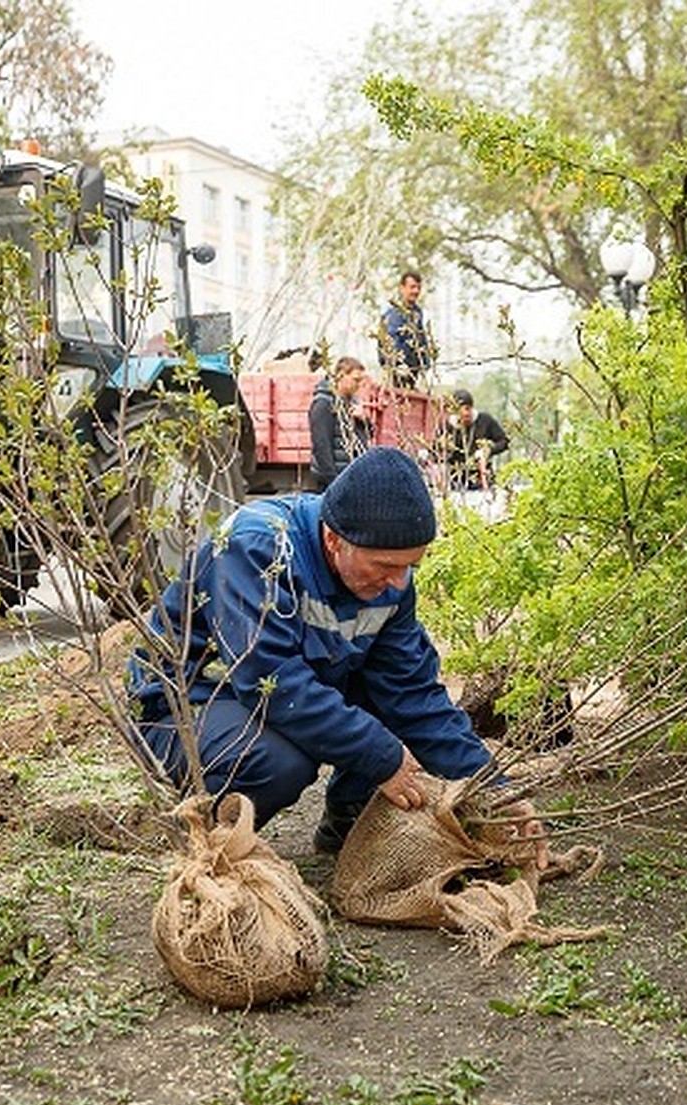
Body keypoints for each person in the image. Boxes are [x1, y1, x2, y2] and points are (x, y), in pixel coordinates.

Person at [127, 446, 548, 861]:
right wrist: (381, 757)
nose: (399, 583)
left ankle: (351, 821)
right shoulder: (258, 547)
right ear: (333, 540)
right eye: (385, 567)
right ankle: (206, 837)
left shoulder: (391, 582)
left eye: (409, 568)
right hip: (186, 706)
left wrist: (495, 792)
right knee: (282, 762)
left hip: (271, 697)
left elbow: (414, 696)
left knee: (392, 714)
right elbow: (269, 682)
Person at [308, 355, 372, 491]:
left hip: (351, 475)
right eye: (356, 380)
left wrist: (364, 420)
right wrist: (334, 482)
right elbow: (321, 446)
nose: (359, 385)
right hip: (334, 480)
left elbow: (367, 437)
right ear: (341, 375)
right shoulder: (323, 403)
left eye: (361, 380)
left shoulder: (352, 402)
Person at [441, 390, 510, 491]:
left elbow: (504, 442)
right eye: (463, 412)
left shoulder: (485, 420)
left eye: (469, 410)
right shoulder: (447, 425)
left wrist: (489, 449)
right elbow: (436, 451)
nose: (466, 414)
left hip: (482, 480)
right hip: (457, 482)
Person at [377, 270, 436, 388]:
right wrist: (396, 364)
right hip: (397, 371)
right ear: (402, 288)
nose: (416, 291)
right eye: (412, 287)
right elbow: (389, 341)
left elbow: (421, 338)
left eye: (418, 288)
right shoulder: (392, 314)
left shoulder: (417, 313)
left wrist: (426, 362)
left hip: (414, 371)